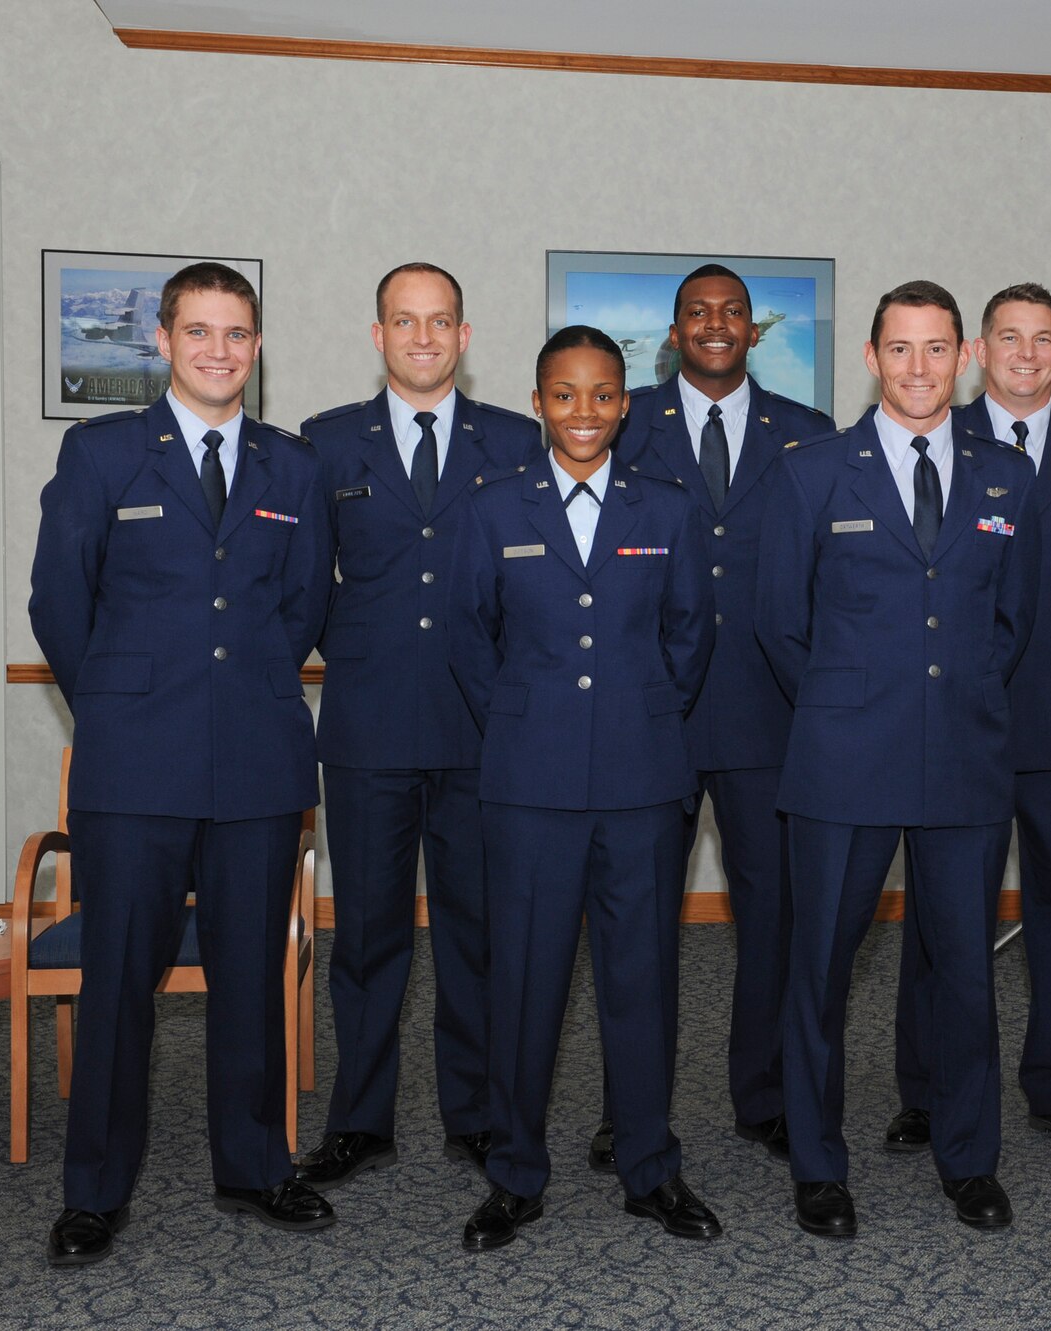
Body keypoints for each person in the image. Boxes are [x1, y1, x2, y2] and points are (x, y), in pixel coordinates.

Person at [29, 262, 336, 1266]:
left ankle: (253, 1165)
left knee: (251, 975)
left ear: (256, 345)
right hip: (134, 767)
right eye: (198, 330)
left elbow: (304, 609)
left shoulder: (294, 469)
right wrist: (119, 702)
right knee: (120, 980)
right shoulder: (103, 453)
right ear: (161, 341)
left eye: (237, 332)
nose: (218, 349)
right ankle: (94, 1190)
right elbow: (58, 605)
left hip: (254, 761)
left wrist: (235, 687)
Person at [755, 280, 1034, 1237]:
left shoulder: (1007, 477)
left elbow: (1013, 620)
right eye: (901, 349)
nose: (920, 368)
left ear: (963, 359)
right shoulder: (813, 473)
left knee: (965, 970)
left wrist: (949, 695)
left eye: (937, 348)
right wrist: (850, 705)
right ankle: (818, 1166)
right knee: (820, 969)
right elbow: (779, 623)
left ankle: (969, 1159)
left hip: (964, 758)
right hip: (842, 760)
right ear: (871, 359)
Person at [446, 325, 719, 1249]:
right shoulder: (491, 509)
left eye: (603, 394)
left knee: (641, 980)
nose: (585, 413)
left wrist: (633, 721)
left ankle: (650, 1166)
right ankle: (515, 1174)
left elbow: (689, 639)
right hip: (528, 786)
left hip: (643, 784)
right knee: (523, 984)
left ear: (626, 405)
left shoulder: (669, 510)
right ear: (537, 404)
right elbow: (467, 642)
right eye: (565, 395)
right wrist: (529, 724)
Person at [293, 264, 538, 1191]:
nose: (424, 337)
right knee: (366, 938)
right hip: (367, 729)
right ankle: (361, 1119)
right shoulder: (325, 444)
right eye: (406, 321)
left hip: (484, 733)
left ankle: (474, 1114)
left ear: (465, 336)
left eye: (440, 322)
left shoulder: (517, 440)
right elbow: (307, 587)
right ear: (378, 333)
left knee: (479, 933)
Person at [889, 282, 1051, 1158]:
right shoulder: (934, 438)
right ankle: (926, 1091)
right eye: (1008, 336)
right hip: (953, 717)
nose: (1026, 353)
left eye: (1043, 338)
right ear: (976, 353)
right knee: (939, 910)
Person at [590, 264, 834, 1169]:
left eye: (734, 312)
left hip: (772, 716)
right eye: (700, 313)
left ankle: (764, 1095)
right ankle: (631, 1109)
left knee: (773, 915)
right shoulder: (626, 425)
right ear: (675, 329)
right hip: (650, 712)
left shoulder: (808, 437)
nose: (718, 325)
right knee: (636, 923)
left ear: (754, 331)